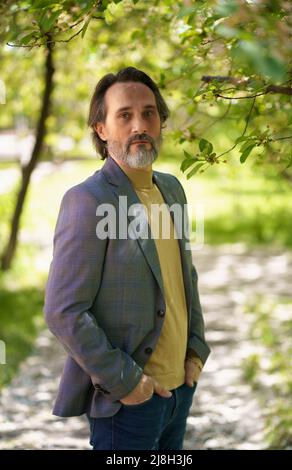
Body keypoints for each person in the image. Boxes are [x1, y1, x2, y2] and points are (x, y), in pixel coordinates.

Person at [44, 66, 210, 450]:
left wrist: (196, 350)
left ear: (161, 122)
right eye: (124, 115)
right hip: (130, 405)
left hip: (180, 390)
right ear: (101, 130)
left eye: (149, 113)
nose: (140, 125)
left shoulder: (171, 189)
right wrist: (128, 383)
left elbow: (186, 275)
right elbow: (63, 310)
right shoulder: (87, 200)